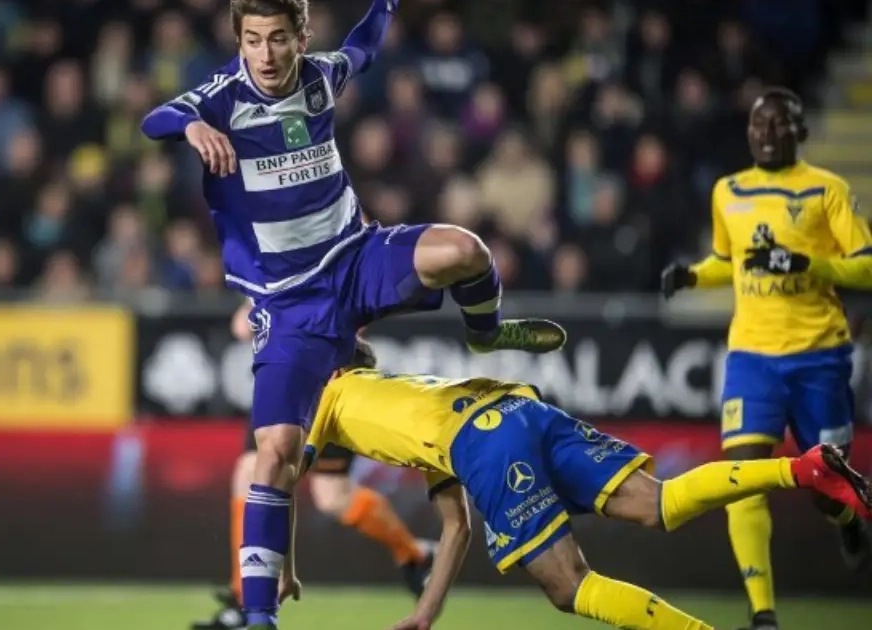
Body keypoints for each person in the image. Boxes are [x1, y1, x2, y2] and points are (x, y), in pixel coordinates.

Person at [141, 3, 565, 627]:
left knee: (466, 251)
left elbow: (364, 46)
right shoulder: (223, 97)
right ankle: (258, 616)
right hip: (290, 302)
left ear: (301, 38)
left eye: (277, 39)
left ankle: (486, 331)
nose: (265, 54)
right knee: (272, 455)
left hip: (355, 259)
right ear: (239, 42)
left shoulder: (320, 75)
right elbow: (156, 118)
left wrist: (385, 4)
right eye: (252, 40)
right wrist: (192, 126)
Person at [294, 339, 872, 630]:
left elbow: (277, 472)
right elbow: (456, 527)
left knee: (569, 586)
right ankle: (802, 469)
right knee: (660, 501)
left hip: (484, 442)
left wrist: (274, 568)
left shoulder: (330, 392)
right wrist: (426, 612)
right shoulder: (404, 397)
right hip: (514, 408)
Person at [661, 87, 872, 630]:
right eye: (759, 124)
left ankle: (848, 518)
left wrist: (810, 264)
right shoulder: (728, 190)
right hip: (752, 356)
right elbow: (728, 261)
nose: (768, 133)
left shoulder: (827, 190)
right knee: (742, 476)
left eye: (779, 124)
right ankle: (763, 615)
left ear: (800, 132)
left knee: (825, 486)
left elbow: (867, 265)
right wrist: (690, 275)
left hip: (819, 356)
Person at [191, 302, 435, 630]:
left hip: (329, 384)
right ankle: (244, 598)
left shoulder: (333, 276)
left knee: (332, 496)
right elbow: (241, 324)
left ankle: (414, 554)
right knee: (250, 472)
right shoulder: (278, 275)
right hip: (283, 380)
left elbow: (353, 318)